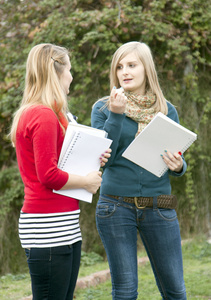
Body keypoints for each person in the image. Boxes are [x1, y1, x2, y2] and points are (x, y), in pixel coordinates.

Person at [9, 43, 110, 300]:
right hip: (48, 226)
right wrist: (87, 181)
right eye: (70, 70)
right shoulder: (43, 115)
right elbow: (49, 175)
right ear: (57, 73)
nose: (72, 76)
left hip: (63, 223)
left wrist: (94, 156)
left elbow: (62, 161)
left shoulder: (55, 112)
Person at [91, 41, 187, 300]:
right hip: (115, 207)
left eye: (132, 65)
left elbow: (177, 155)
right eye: (119, 66)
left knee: (175, 291)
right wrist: (116, 115)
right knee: (124, 292)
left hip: (160, 205)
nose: (125, 71)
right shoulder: (102, 108)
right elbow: (103, 161)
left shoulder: (167, 110)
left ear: (147, 69)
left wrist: (179, 166)